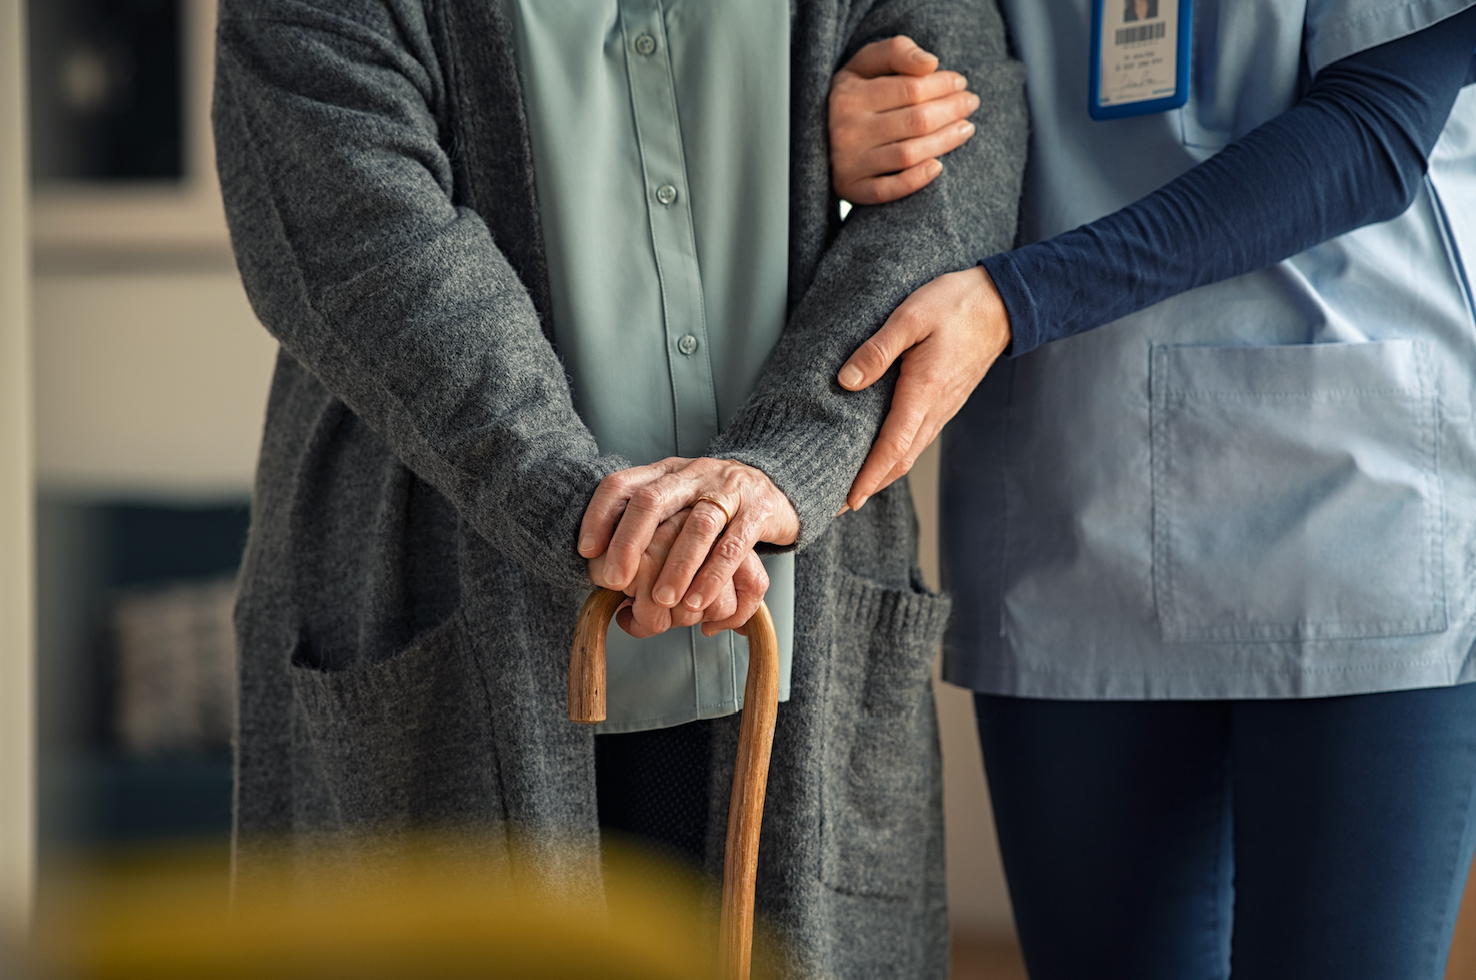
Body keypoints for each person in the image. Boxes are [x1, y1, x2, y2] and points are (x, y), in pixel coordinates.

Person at [211, 0, 1023, 976]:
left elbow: (955, 185)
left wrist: (776, 468)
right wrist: (598, 511)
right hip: (446, 609)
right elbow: (364, 240)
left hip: (795, 618)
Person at [820, 2, 1476, 977]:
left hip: (1350, 507)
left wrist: (1017, 298)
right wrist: (849, 128)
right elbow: (893, 48)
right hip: (1070, 487)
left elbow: (1375, 131)